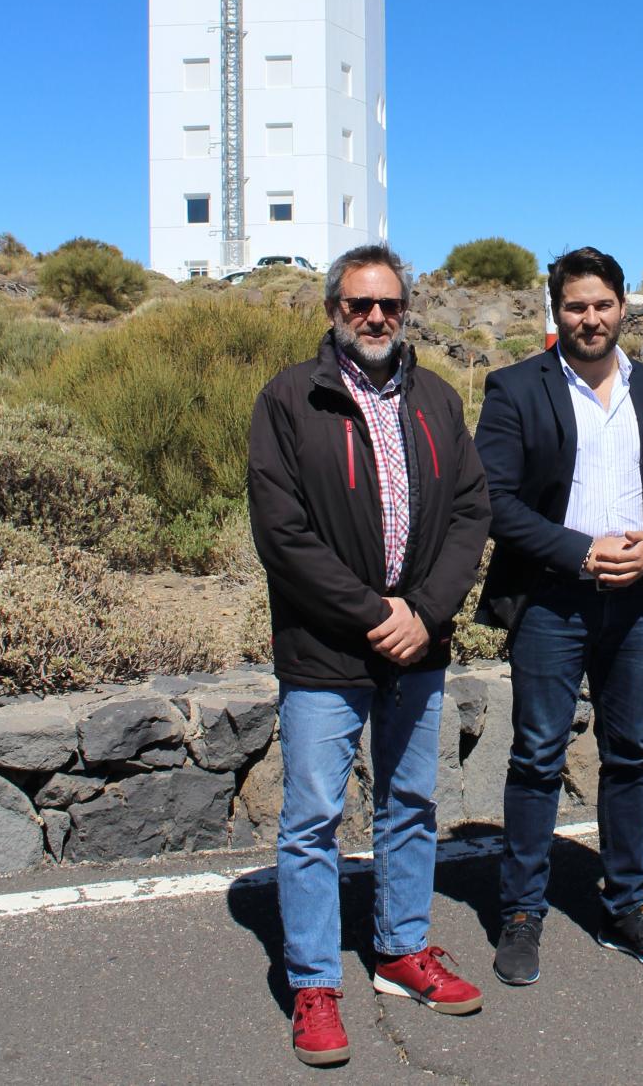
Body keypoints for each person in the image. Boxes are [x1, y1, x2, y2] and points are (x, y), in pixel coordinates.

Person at [248, 244, 491, 1067]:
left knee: (411, 800)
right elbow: (282, 534)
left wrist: (423, 612)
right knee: (313, 817)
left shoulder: (436, 398)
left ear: (405, 308)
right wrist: (371, 614)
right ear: (333, 310)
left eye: (389, 303)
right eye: (359, 304)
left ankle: (400, 948)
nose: (376, 316)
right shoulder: (289, 399)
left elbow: (469, 513)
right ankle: (315, 981)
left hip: (418, 646)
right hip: (324, 649)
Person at [474, 246, 643, 986]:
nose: (590, 317)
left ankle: (626, 904)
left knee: (631, 754)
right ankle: (520, 911)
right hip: (551, 601)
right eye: (575, 305)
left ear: (623, 307)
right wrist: (581, 552)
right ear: (557, 312)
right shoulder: (515, 388)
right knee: (538, 756)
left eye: (602, 303)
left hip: (638, 602)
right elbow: (495, 502)